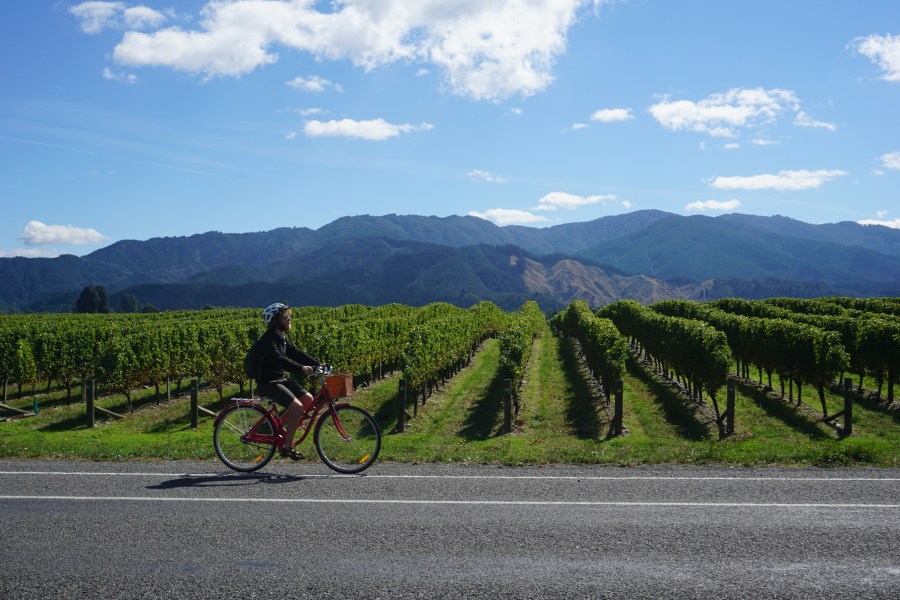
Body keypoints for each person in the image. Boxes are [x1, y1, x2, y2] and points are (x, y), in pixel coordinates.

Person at [251, 303, 321, 460]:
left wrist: (318, 365)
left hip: (279, 379)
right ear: (275, 320)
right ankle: (287, 447)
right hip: (268, 383)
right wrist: (302, 369)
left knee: (308, 399)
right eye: (285, 317)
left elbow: (296, 353)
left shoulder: (281, 338)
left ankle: (278, 426)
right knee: (297, 407)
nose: (289, 319)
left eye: (289, 316)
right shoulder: (267, 340)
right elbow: (279, 360)